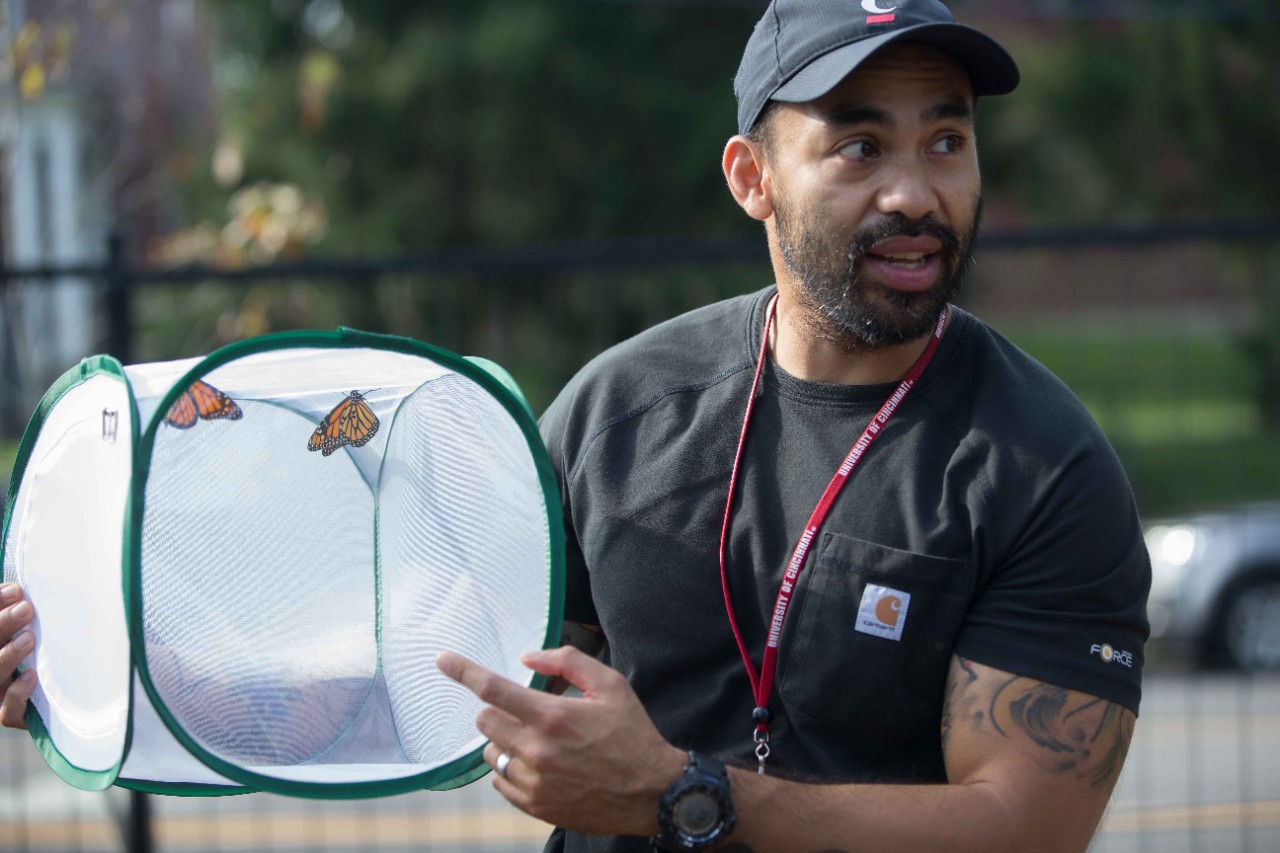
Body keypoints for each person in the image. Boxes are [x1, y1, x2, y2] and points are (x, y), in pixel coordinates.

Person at [3, 1, 1150, 851]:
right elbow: (412, 660)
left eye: (943, 140)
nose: (912, 189)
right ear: (751, 178)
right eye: (858, 145)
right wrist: (82, 663)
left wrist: (679, 794)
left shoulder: (1036, 464)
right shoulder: (621, 409)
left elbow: (1021, 828)